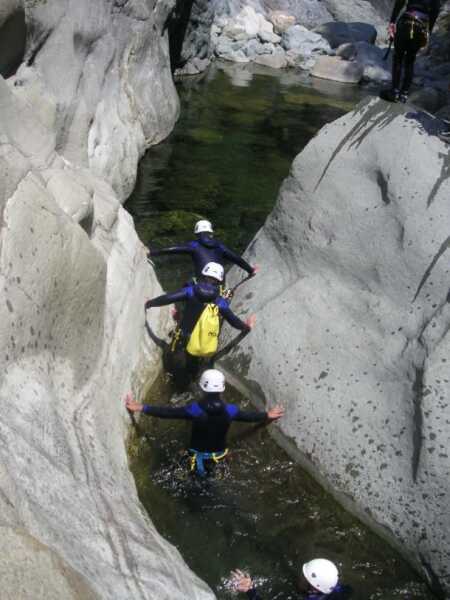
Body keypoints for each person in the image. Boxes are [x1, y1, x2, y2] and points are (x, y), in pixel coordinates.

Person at [125, 369, 284, 476]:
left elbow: (168, 413)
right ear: (222, 389)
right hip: (219, 456)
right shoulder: (231, 410)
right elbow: (248, 416)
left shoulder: (194, 410)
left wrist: (141, 407)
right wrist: (267, 415)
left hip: (195, 457)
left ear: (202, 389)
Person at [145, 261, 255, 387]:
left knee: (176, 374)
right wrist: (246, 327)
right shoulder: (220, 301)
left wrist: (149, 303)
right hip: (201, 344)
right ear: (219, 281)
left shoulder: (190, 291)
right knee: (195, 374)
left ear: (203, 275)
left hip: (181, 341)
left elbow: (168, 298)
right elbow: (233, 321)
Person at [147, 219, 258, 280]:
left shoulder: (193, 245)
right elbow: (236, 259)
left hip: (201, 283)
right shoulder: (219, 245)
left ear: (197, 233)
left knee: (188, 286)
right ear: (210, 233)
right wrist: (250, 270)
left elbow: (173, 249)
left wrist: (152, 253)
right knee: (224, 292)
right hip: (218, 284)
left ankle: (177, 313)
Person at [382, 0, 441, 103]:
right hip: (421, 26)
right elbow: (435, 11)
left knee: (398, 58)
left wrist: (392, 22)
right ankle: (404, 93)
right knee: (410, 60)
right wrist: (429, 31)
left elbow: (399, 3)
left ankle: (394, 90)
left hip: (406, 21)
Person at [231, 558, 352, 599]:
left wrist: (250, 590)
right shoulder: (338, 589)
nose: (300, 577)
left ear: (314, 588)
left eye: (304, 579)